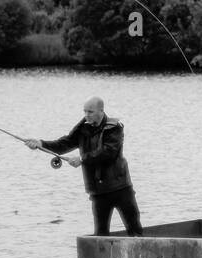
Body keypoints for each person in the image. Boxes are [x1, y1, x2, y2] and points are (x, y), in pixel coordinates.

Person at [24, 96, 143, 236]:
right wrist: (41, 144)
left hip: (121, 188)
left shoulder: (114, 128)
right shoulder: (84, 126)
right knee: (100, 234)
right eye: (85, 111)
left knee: (135, 230)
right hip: (98, 192)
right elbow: (65, 143)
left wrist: (82, 159)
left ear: (101, 111)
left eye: (90, 112)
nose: (86, 115)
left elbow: (108, 153)